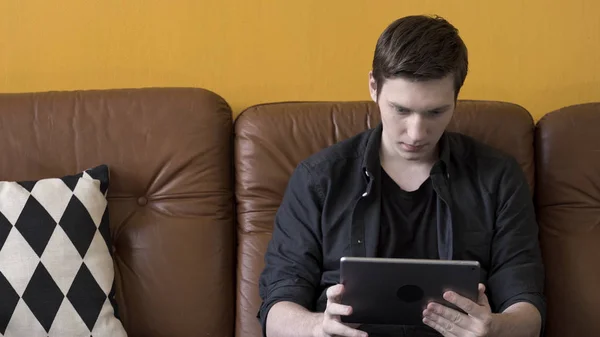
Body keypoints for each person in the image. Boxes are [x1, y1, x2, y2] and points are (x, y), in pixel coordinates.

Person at [257, 14, 545, 337]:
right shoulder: (318, 179)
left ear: (456, 99)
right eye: (401, 109)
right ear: (373, 87)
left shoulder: (498, 178)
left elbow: (528, 310)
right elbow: (276, 310)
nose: (416, 132)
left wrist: (494, 329)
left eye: (435, 112)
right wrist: (316, 329)